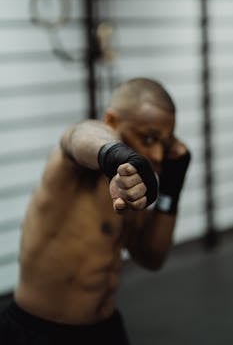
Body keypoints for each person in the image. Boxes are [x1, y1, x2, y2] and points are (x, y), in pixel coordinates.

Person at [0, 77, 191, 344]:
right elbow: (79, 136)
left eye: (165, 143)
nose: (158, 155)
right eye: (148, 138)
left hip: (105, 329)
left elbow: (152, 257)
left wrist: (172, 185)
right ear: (112, 120)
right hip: (39, 332)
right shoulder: (75, 163)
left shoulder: (130, 187)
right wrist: (116, 155)